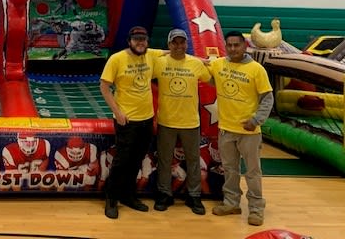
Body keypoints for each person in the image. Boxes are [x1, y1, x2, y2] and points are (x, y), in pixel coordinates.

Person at [208, 30, 274, 227]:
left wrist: (256, 120)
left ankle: (256, 209)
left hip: (249, 132)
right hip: (226, 130)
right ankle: (231, 203)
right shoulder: (218, 64)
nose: (233, 49)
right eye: (229, 45)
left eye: (236, 45)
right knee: (230, 170)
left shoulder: (256, 69)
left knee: (252, 172)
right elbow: (199, 66)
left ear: (245, 46)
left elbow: (267, 98)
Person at [99, 25, 164, 219]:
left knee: (137, 159)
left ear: (147, 42)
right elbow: (104, 86)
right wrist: (117, 112)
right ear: (129, 42)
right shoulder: (117, 59)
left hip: (147, 119)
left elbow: (175, 53)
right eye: (136, 40)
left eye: (143, 39)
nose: (140, 43)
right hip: (127, 120)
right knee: (122, 160)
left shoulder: (151, 55)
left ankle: (128, 195)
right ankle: (111, 198)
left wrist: (204, 60)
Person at [153, 28, 211, 215]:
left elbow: (212, 80)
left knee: (193, 160)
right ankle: (164, 193)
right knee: (164, 160)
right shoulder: (159, 62)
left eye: (182, 42)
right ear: (168, 44)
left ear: (187, 44)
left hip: (190, 122)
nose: (179, 46)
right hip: (166, 121)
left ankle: (194, 195)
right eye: (174, 42)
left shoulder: (196, 64)